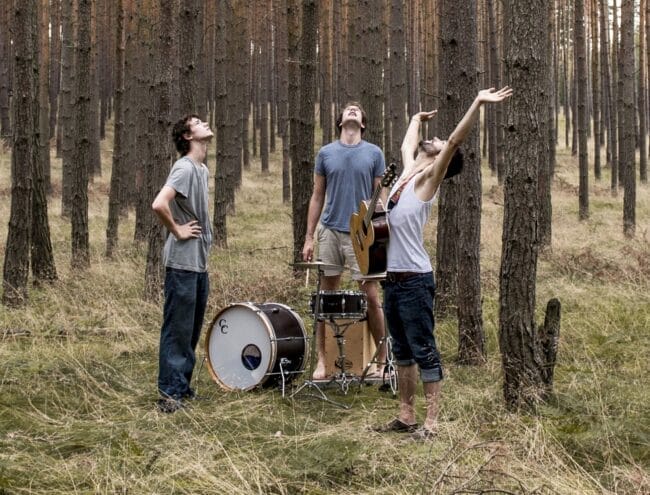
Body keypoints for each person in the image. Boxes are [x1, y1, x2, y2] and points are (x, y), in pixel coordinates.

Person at [376, 87, 512, 439]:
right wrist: (413, 120)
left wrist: (477, 102)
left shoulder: (427, 182)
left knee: (424, 350)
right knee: (401, 351)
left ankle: (431, 423)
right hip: (391, 280)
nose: (432, 139)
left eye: (434, 142)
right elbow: (408, 146)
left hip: (415, 281)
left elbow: (453, 140)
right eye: (430, 137)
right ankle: (406, 416)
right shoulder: (407, 174)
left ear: (442, 161)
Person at [302, 101, 388, 380]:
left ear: (362, 122)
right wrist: (308, 237)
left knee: (371, 296)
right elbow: (317, 195)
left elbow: (380, 198)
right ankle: (323, 362)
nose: (352, 110)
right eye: (348, 109)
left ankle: (383, 360)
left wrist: (378, 234)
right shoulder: (326, 153)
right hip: (329, 230)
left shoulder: (374, 153)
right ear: (340, 121)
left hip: (361, 235)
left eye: (357, 109)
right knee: (326, 298)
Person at [152, 114, 214, 413]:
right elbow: (159, 203)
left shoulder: (201, 169)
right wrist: (176, 230)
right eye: (198, 122)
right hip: (182, 264)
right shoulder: (185, 167)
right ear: (188, 136)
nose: (205, 123)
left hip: (198, 265)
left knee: (190, 329)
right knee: (177, 328)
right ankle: (169, 394)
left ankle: (182, 386)